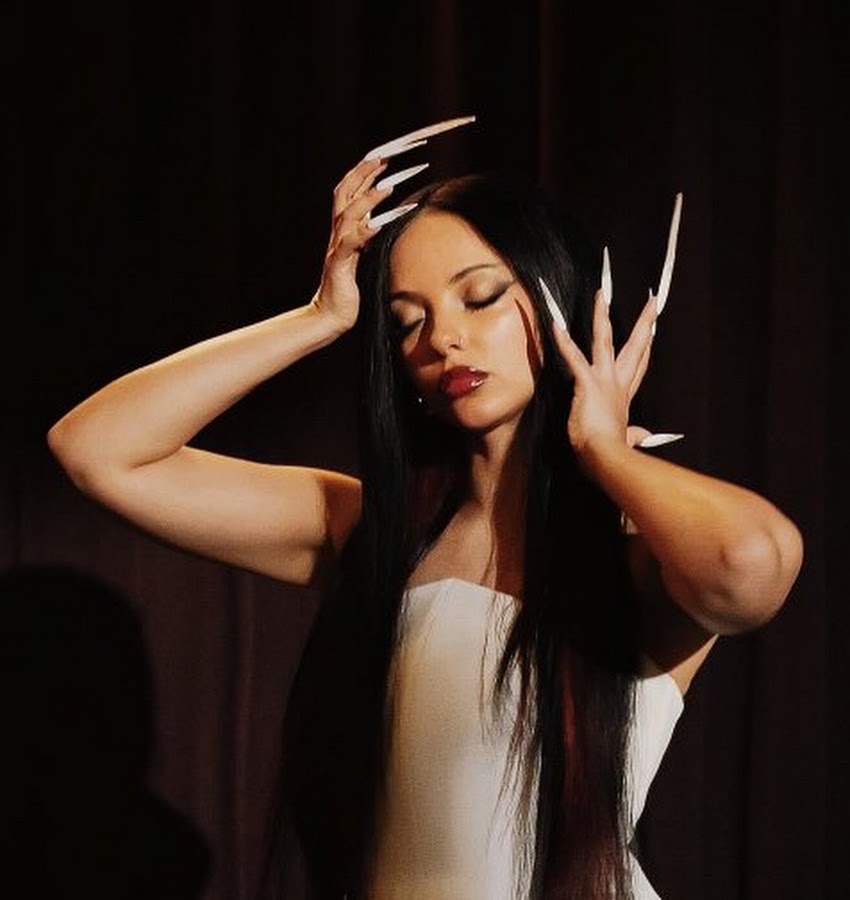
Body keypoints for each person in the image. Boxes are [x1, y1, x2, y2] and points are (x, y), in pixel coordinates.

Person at [47, 126, 804, 900]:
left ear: (556, 293)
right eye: (408, 320)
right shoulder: (371, 532)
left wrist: (604, 451)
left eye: (480, 297)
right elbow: (96, 450)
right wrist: (320, 318)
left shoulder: (634, 552)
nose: (443, 338)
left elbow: (752, 563)